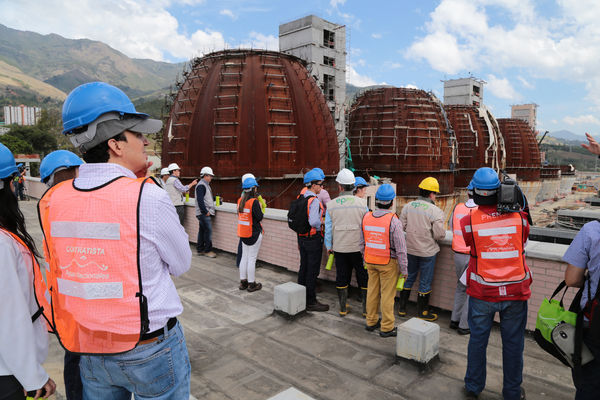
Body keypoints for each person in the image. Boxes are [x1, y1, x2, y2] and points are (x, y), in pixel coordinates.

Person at [38, 82, 192, 399]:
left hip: (89, 348)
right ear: (116, 145)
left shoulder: (54, 199)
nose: (146, 142)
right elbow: (181, 263)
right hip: (150, 349)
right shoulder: (147, 196)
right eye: (138, 134)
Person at [461, 167, 531, 400]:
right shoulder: (520, 219)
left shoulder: (468, 220)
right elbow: (523, 236)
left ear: (474, 193)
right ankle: (512, 392)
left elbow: (471, 242)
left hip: (483, 292)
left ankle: (473, 386)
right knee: (513, 345)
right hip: (515, 291)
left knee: (477, 341)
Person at [0, 143, 56, 400]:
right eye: (13, 179)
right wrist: (32, 376)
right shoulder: (2, 243)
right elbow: (9, 318)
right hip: (7, 374)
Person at [40, 149, 84, 400]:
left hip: (64, 302)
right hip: (84, 302)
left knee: (75, 360)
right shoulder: (82, 202)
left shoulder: (47, 204)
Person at [361, 184, 408, 337]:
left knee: (372, 292)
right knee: (387, 296)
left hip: (370, 261)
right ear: (391, 202)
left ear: (376, 201)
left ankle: (371, 321)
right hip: (388, 263)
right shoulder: (393, 221)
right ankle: (387, 327)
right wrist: (404, 269)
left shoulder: (367, 217)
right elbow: (401, 249)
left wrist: (365, 259)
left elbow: (362, 242)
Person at [398, 177, 445, 321]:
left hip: (410, 249)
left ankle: (402, 308)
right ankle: (423, 312)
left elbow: (402, 226)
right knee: (425, 281)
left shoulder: (408, 206)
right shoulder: (436, 211)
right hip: (427, 252)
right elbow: (440, 235)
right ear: (431, 194)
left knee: (409, 276)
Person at [325, 168, 368, 317]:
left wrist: (329, 247)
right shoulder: (362, 204)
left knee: (342, 276)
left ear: (340, 186)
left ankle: (343, 308)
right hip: (359, 249)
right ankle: (365, 310)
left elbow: (328, 229)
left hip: (340, 248)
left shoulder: (331, 205)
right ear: (353, 186)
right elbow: (367, 227)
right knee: (363, 277)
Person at [297, 168, 329, 311]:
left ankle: (300, 296)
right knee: (312, 270)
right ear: (314, 185)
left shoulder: (301, 197)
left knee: (303, 267)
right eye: (320, 185)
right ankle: (311, 301)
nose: (322, 187)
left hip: (302, 238)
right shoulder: (313, 201)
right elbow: (314, 222)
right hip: (313, 239)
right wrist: (323, 222)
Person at [449, 181, 477, 336]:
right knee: (471, 289)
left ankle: (454, 319)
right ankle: (464, 325)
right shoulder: (480, 210)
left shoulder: (458, 207)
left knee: (460, 287)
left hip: (457, 254)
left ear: (468, 193)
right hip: (472, 256)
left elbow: (452, 228)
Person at [237, 177, 264, 292]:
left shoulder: (240, 201)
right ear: (253, 189)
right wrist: (261, 207)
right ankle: (252, 284)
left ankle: (243, 282)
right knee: (252, 259)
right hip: (254, 233)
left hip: (243, 233)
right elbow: (260, 217)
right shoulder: (254, 202)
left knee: (244, 257)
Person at [195, 166, 216, 258]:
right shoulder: (201, 185)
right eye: (210, 176)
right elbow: (200, 200)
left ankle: (200, 249)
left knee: (202, 231)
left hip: (202, 213)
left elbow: (205, 198)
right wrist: (205, 211)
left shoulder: (204, 185)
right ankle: (207, 251)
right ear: (205, 175)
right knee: (208, 231)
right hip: (204, 213)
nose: (211, 177)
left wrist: (214, 199)